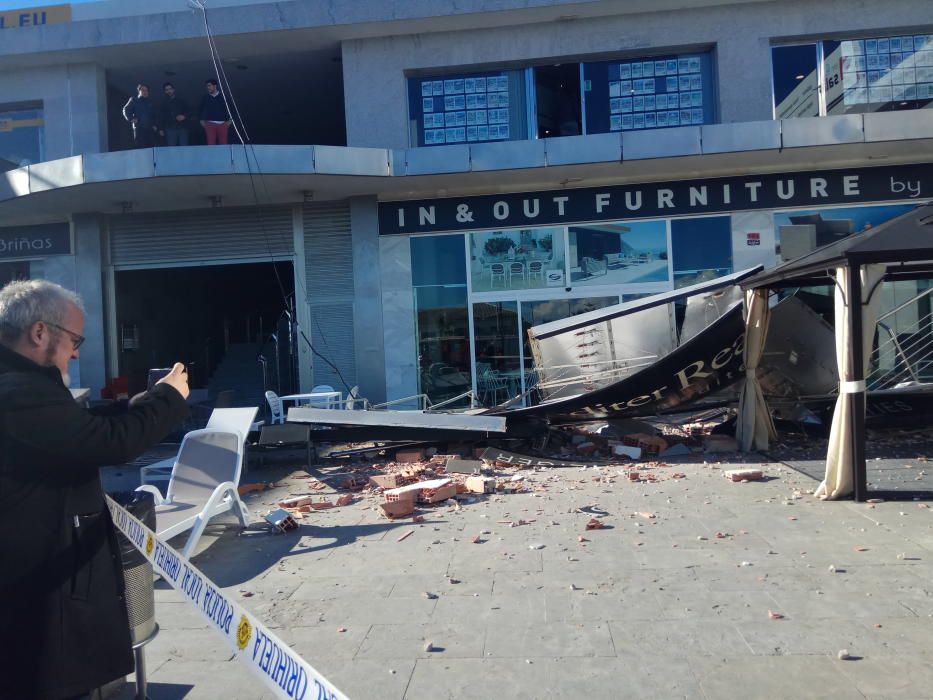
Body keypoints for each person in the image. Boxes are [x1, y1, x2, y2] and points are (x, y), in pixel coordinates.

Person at [0, 280, 190, 700]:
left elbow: (70, 427)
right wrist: (169, 399)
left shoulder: (22, 384)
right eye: (74, 339)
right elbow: (110, 443)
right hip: (37, 608)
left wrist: (130, 406)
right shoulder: (18, 391)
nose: (78, 351)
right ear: (39, 332)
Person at [122, 83, 157, 148]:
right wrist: (131, 118)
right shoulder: (134, 100)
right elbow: (125, 110)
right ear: (139, 91)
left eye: (146, 90)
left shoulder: (150, 102)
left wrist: (154, 125)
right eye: (143, 90)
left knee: (151, 148)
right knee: (141, 148)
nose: (145, 92)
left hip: (150, 129)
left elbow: (154, 115)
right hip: (139, 129)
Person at [199, 78, 232, 145]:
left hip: (223, 123)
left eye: (209, 85)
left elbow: (231, 108)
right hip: (210, 123)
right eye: (207, 86)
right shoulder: (205, 97)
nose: (208, 88)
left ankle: (223, 155)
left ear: (215, 86)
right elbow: (199, 109)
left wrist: (230, 120)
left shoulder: (224, 97)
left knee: (223, 143)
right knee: (211, 143)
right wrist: (201, 120)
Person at [158, 81, 190, 146]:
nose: (169, 91)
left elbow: (189, 111)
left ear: (173, 90)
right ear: (165, 91)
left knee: (184, 147)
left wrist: (184, 116)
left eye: (170, 89)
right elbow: (160, 117)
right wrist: (161, 129)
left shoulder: (181, 101)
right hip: (170, 129)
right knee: (172, 149)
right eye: (167, 90)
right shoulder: (163, 103)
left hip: (182, 128)